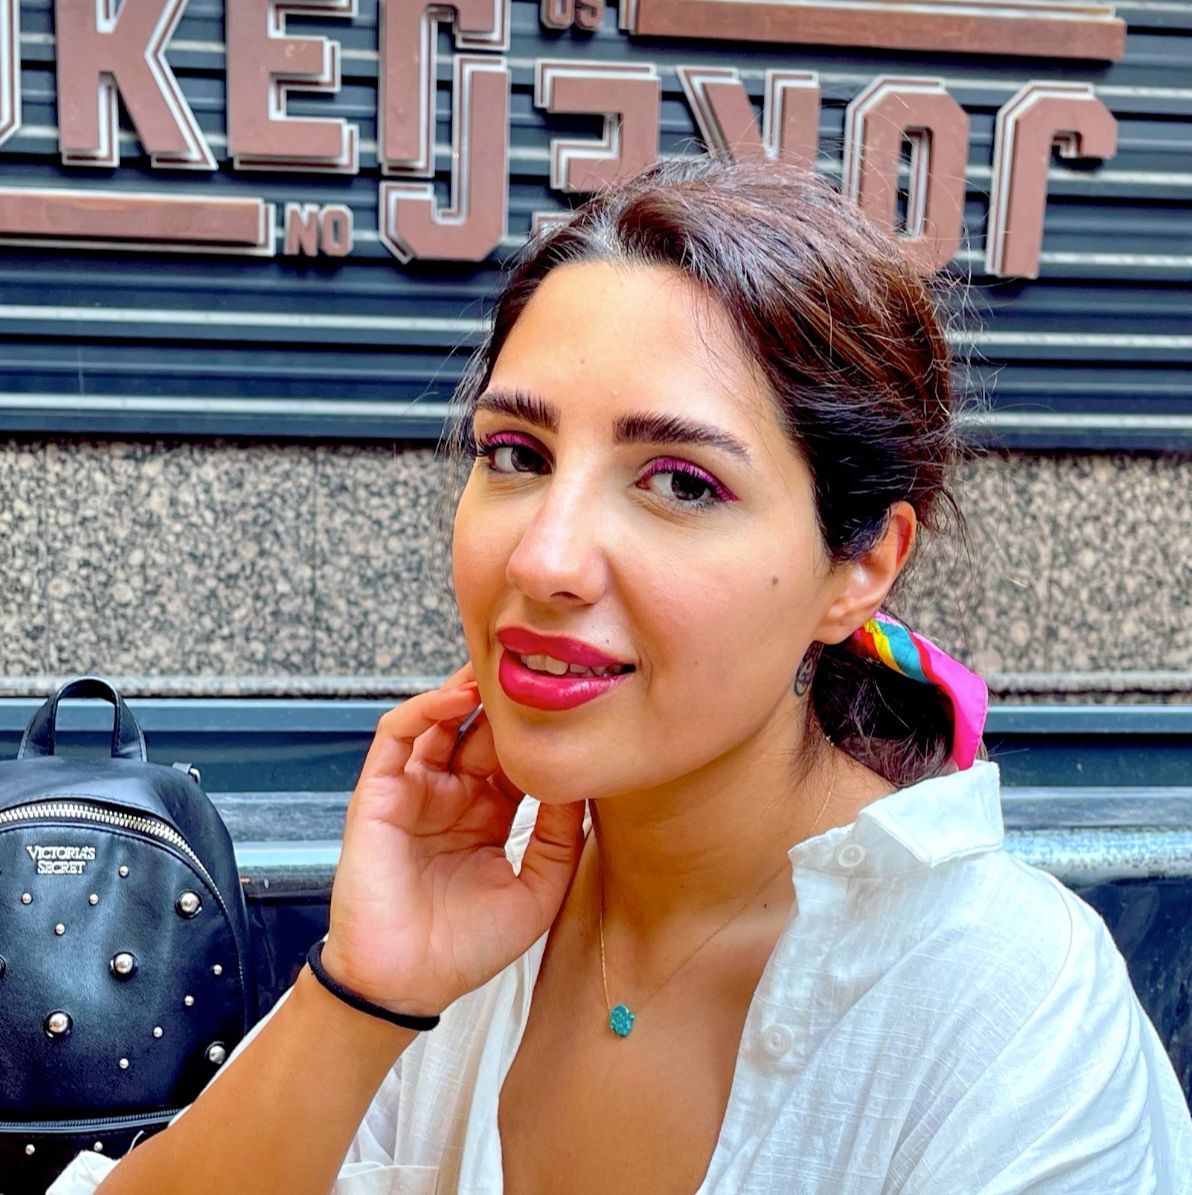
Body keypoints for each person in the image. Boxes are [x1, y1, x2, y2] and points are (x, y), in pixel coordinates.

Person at [56, 158, 1190, 1194]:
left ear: (859, 568)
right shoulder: (473, 895)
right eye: (517, 455)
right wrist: (364, 995)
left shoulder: (1009, 1018)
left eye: (681, 482)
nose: (543, 559)